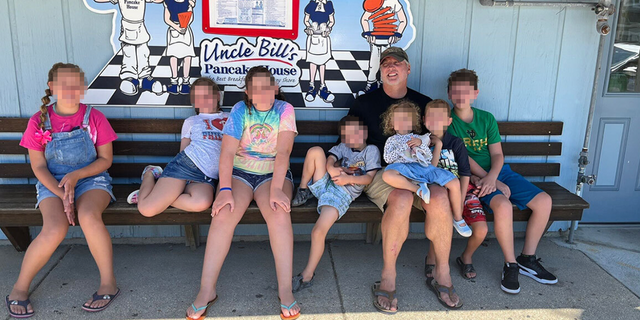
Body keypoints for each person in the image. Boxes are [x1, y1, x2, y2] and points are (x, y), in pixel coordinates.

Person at [348, 47, 462, 312]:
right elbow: (349, 143)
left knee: (441, 196)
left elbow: (439, 139)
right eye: (385, 63)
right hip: (382, 172)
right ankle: (388, 276)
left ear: (407, 69)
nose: (391, 67)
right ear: (380, 70)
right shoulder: (365, 103)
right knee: (400, 198)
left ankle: (442, 272)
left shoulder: (424, 103)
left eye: (397, 63)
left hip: (419, 170)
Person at [186, 66, 300, 320]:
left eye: (266, 86)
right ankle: (207, 289)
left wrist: (278, 190)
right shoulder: (240, 110)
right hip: (240, 173)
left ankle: (285, 289)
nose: (262, 92)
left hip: (273, 174)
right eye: (255, 88)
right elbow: (227, 153)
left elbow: (283, 153)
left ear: (275, 89)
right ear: (248, 92)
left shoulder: (284, 110)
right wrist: (224, 189)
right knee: (224, 214)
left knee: (278, 213)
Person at [7, 63, 119, 318]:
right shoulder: (39, 120)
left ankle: (108, 283)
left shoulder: (94, 117)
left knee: (90, 217)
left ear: (83, 88)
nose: (69, 89)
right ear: (52, 87)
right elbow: (38, 166)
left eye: (75, 84)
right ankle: (20, 288)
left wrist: (77, 175)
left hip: (91, 180)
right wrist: (63, 194)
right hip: (53, 183)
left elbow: (105, 160)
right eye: (63, 84)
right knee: (55, 228)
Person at [447, 68, 557, 294]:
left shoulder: (486, 118)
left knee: (544, 201)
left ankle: (527, 258)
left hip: (498, 173)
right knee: (504, 206)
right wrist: (491, 182)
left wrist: (495, 177)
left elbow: (497, 155)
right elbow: (462, 158)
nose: (461, 96)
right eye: (456, 91)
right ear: (449, 94)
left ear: (475, 93)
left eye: (466, 91)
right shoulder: (448, 122)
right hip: (472, 177)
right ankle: (511, 264)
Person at [290, 116, 380, 292]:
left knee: (317, 231)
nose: (351, 138)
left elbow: (369, 178)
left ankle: (307, 275)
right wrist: (331, 169)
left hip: (340, 195)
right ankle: (303, 190)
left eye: (355, 132)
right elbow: (330, 158)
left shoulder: (370, 151)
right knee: (316, 150)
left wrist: (347, 178)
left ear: (365, 133)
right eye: (346, 135)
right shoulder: (343, 147)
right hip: (326, 184)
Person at [127, 78, 227, 217]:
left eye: (207, 94)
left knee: (202, 203)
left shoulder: (230, 117)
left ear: (217, 96)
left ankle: (155, 194)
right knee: (146, 209)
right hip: (185, 166)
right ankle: (150, 174)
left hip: (207, 177)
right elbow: (183, 150)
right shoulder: (192, 121)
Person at [380, 101, 471, 237]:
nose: (402, 122)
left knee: (454, 182)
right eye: (398, 120)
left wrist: (421, 145)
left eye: (406, 120)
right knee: (387, 175)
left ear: (413, 123)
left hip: (423, 168)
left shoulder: (420, 137)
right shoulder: (391, 140)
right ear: (391, 124)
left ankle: (458, 218)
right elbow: (388, 159)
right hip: (404, 169)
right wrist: (404, 146)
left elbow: (429, 160)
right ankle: (418, 190)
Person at [423, 99, 488, 280]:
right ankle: (431, 257)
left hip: (462, 190)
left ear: (449, 121)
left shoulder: (457, 143)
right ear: (424, 120)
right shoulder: (421, 143)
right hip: (438, 192)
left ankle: (466, 256)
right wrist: (437, 145)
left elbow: (465, 173)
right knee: (442, 222)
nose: (435, 121)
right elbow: (429, 172)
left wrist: (459, 199)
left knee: (481, 230)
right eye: (431, 117)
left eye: (440, 117)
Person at [303, 0, 336, 103]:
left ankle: (322, 87)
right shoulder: (312, 4)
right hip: (313, 35)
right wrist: (309, 28)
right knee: (312, 61)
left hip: (323, 36)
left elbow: (331, 21)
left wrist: (328, 29)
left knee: (322, 62)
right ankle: (311, 86)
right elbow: (306, 20)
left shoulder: (329, 4)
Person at [163, 0, 196, 95]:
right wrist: (182, 27)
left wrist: (180, 27)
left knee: (181, 56)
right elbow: (190, 16)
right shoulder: (169, 2)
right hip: (182, 30)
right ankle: (183, 84)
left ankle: (176, 84)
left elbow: (167, 19)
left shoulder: (170, 2)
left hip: (178, 30)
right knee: (182, 56)